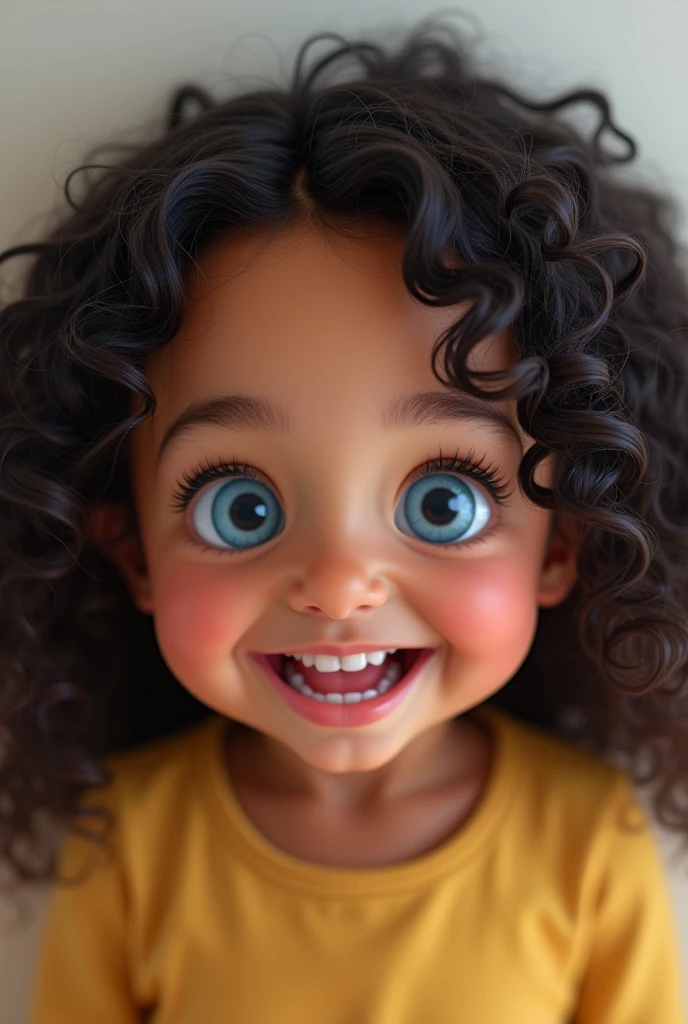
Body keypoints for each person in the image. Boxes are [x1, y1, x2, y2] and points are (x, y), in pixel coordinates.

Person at [1, 20, 685, 1023]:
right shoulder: (126, 844)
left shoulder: (589, 844)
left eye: (441, 501)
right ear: (131, 547)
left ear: (566, 542)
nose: (335, 580)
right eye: (242, 506)